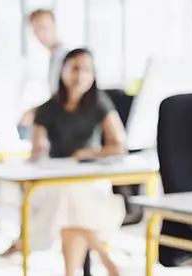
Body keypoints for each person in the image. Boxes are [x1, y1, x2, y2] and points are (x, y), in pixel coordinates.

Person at [0, 7, 72, 239]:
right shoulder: (53, 57)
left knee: (4, 152)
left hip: (57, 133)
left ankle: (2, 223)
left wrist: (36, 112)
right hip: (45, 125)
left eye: (44, 28)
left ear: (55, 26)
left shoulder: (66, 57)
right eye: (36, 30)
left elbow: (63, 99)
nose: (41, 34)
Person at [24, 48, 127, 276]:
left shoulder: (100, 103)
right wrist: (39, 149)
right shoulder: (48, 108)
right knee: (67, 197)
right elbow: (36, 149)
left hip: (89, 178)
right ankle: (105, 258)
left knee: (69, 203)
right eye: (75, 69)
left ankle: (71, 273)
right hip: (55, 179)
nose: (80, 76)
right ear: (63, 71)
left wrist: (91, 153)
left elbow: (119, 145)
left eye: (87, 70)